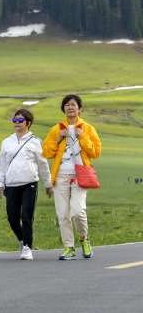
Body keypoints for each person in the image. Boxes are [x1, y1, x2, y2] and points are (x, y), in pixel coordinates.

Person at [42, 94, 102, 260]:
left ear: (79, 108)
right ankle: (69, 247)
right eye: (67, 104)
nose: (70, 107)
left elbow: (96, 152)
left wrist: (82, 136)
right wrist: (59, 139)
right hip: (60, 176)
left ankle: (84, 239)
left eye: (73, 104)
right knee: (63, 215)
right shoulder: (56, 129)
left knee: (78, 212)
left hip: (80, 176)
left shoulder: (88, 128)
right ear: (64, 109)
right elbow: (46, 152)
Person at [0, 108, 53, 260]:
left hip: (29, 184)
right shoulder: (7, 142)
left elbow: (43, 164)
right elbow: (2, 164)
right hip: (11, 184)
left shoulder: (35, 142)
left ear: (28, 123)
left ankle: (27, 246)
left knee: (27, 216)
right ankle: (21, 240)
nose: (17, 123)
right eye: (15, 120)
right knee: (12, 219)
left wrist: (49, 184)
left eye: (20, 120)